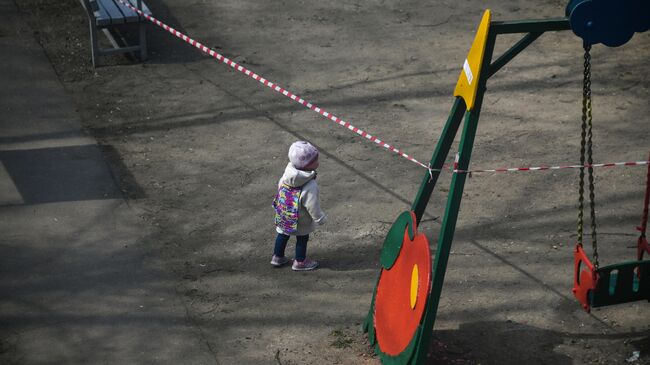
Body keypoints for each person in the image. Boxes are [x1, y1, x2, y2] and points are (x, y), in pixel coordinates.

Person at [271, 141, 326, 271]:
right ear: (307, 165)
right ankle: (300, 262)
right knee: (302, 238)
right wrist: (320, 218)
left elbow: (280, 188)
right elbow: (312, 204)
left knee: (282, 234)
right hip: (301, 219)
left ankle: (277, 257)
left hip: (285, 213)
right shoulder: (310, 185)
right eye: (315, 161)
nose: (318, 162)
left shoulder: (287, 175)